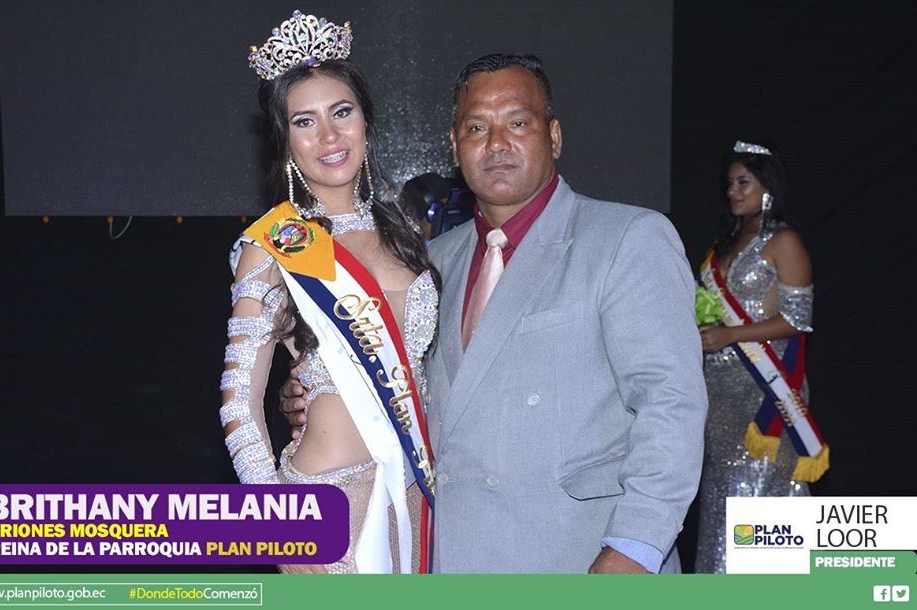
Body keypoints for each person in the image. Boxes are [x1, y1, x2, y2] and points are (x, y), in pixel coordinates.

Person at [283, 53, 707, 573]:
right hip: (451, 558)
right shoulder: (429, 263)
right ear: (454, 145)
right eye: (477, 127)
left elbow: (671, 404)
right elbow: (406, 391)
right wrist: (321, 394)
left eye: (518, 123)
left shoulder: (626, 239)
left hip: (582, 556)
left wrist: (636, 547)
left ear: (554, 136)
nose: (497, 143)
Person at [219, 10, 438, 574]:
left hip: (414, 498)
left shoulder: (407, 234)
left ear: (365, 120)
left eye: (342, 112)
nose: (329, 136)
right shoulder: (275, 244)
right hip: (326, 506)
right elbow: (239, 401)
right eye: (305, 121)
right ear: (286, 141)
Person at [694, 141, 829, 573]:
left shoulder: (784, 240)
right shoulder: (726, 243)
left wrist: (730, 334)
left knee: (756, 495)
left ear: (768, 187)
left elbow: (798, 319)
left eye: (743, 183)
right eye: (730, 183)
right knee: (721, 499)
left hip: (762, 388)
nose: (732, 191)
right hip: (717, 391)